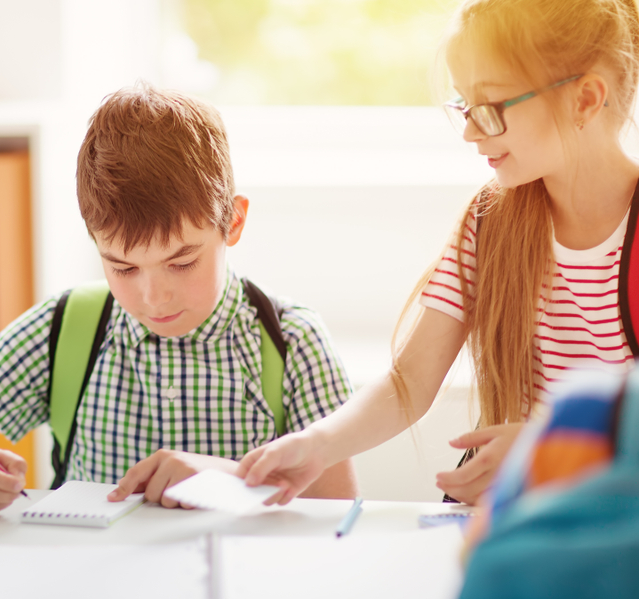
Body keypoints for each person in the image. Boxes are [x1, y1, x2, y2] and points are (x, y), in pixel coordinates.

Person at [0, 83, 358, 515]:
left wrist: (230, 479)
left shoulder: (290, 341)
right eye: (122, 267)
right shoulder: (65, 327)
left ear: (233, 221)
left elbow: (338, 515)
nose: (152, 295)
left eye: (182, 262)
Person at [238, 0, 639, 506]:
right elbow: (409, 382)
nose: (471, 131)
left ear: (585, 100)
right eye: (464, 108)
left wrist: (550, 444)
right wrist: (317, 445)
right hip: (521, 512)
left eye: (491, 109)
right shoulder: (490, 222)